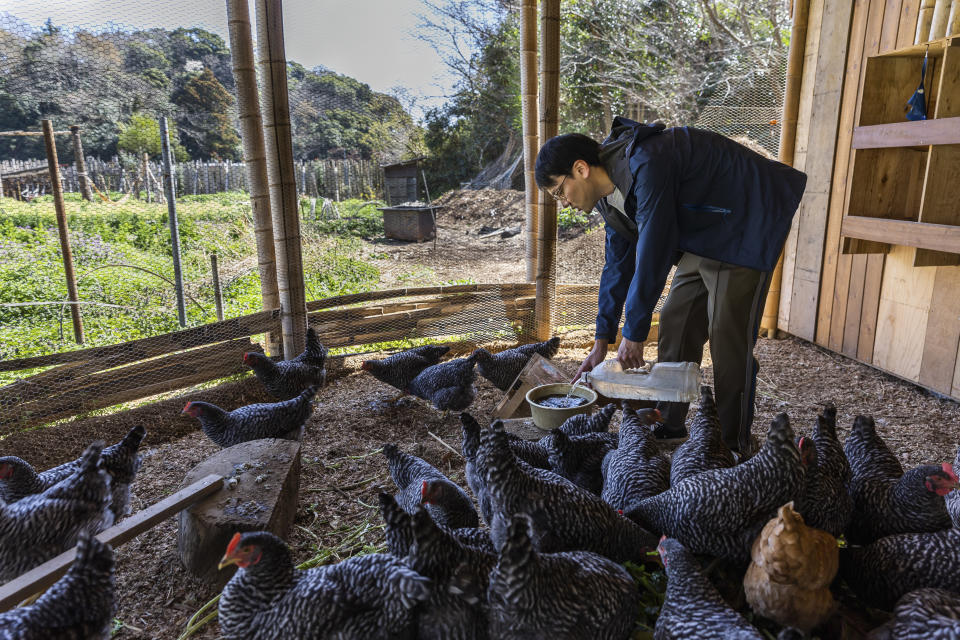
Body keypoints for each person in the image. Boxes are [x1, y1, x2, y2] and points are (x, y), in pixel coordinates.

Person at [535, 117, 806, 456]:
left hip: (746, 219)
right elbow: (617, 267)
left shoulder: (646, 163)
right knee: (676, 320)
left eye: (560, 190)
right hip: (706, 234)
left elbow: (654, 250)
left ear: (580, 169)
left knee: (727, 336)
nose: (563, 201)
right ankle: (671, 421)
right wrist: (601, 341)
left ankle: (730, 444)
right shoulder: (608, 200)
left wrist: (633, 333)